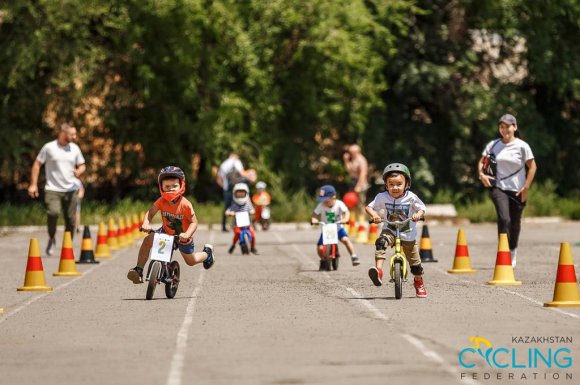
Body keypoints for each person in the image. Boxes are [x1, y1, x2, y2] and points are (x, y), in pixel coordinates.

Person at [127, 166, 215, 284]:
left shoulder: (185, 204)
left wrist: (187, 234)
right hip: (166, 232)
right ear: (161, 187)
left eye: (174, 186)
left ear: (181, 185)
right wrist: (146, 223)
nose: (171, 189)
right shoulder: (161, 201)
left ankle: (207, 254)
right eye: (167, 187)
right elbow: (150, 212)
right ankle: (138, 270)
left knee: (191, 261)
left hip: (183, 236)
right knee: (148, 240)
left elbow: (194, 222)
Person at [477, 114, 537, 268]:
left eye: (508, 126)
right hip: (498, 187)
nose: (504, 130)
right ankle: (503, 254)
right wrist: (482, 175)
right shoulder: (493, 145)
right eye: (501, 127)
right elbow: (482, 162)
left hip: (518, 190)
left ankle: (512, 251)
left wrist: (526, 187)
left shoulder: (523, 146)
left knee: (515, 223)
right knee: (505, 219)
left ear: (514, 127)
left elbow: (532, 167)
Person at [365, 163, 427, 298]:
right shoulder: (382, 197)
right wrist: (375, 215)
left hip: (408, 233)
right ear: (386, 185)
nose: (395, 188)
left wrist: (418, 215)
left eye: (399, 184)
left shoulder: (411, 197)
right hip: (390, 230)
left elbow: (422, 208)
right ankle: (379, 271)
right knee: (381, 242)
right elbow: (369, 207)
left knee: (416, 265)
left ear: (407, 184)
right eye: (391, 184)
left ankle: (418, 283)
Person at [28, 123, 86, 256]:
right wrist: (33, 184)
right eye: (72, 134)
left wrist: (79, 171)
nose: (75, 136)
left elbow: (82, 165)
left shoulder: (74, 149)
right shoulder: (49, 148)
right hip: (52, 188)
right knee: (53, 213)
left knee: (71, 220)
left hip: (71, 189)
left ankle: (67, 246)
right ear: (63, 134)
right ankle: (52, 237)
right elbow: (37, 164)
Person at [310, 185, 360, 267]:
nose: (324, 202)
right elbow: (314, 214)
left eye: (326, 200)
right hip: (326, 229)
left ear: (333, 197)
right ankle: (322, 259)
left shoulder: (339, 204)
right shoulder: (321, 205)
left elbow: (346, 212)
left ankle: (353, 256)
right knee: (320, 247)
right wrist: (314, 219)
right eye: (323, 200)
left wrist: (345, 219)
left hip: (338, 228)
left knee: (345, 240)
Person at [216, 153, 256, 232]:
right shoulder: (236, 162)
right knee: (241, 204)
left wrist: (224, 187)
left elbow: (219, 179)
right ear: (235, 156)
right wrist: (251, 179)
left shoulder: (223, 165)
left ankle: (224, 226)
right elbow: (242, 173)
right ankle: (244, 224)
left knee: (227, 207)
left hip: (227, 189)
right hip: (237, 188)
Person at [225, 183, 259, 254]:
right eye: (238, 193)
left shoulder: (247, 204)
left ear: (246, 193)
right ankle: (233, 245)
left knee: (252, 235)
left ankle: (252, 248)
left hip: (247, 225)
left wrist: (252, 211)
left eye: (242, 193)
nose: (240, 195)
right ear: (235, 194)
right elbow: (228, 210)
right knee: (237, 234)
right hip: (237, 225)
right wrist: (229, 213)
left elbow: (252, 210)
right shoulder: (234, 205)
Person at [342, 144, 369, 220]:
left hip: (361, 184)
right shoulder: (354, 159)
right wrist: (346, 160)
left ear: (357, 151)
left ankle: (362, 222)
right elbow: (349, 170)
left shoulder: (361, 160)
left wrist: (359, 186)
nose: (350, 153)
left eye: (351, 152)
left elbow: (363, 174)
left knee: (360, 204)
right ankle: (354, 221)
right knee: (352, 204)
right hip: (353, 182)